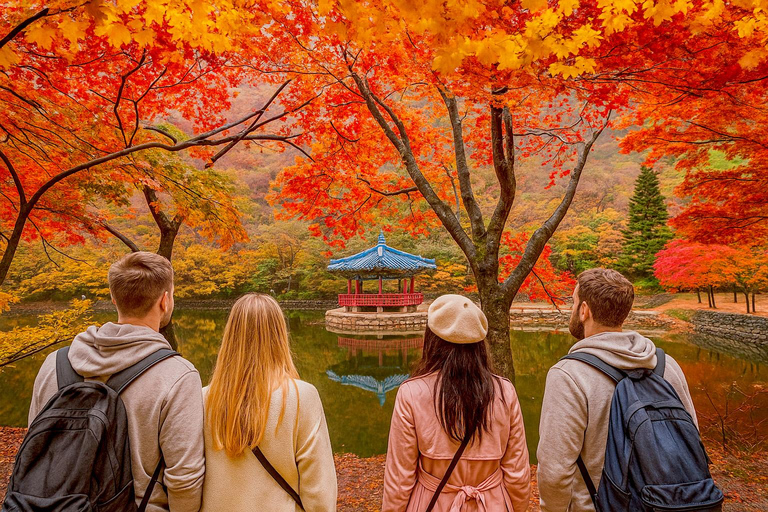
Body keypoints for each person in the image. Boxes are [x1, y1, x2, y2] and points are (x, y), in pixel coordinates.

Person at [28, 251, 205, 511]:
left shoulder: (54, 364)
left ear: (114, 298)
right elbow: (185, 480)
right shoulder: (178, 375)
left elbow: (34, 448)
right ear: (165, 301)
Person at [537, 268, 698, 511]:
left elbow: (555, 471)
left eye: (573, 302)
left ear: (584, 311)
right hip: (666, 503)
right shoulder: (666, 364)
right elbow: (692, 438)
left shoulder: (569, 375)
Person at [382, 294, 530, 512]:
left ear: (432, 340)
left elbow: (399, 477)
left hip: (433, 503)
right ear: (480, 343)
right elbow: (517, 472)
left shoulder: (411, 392)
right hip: (492, 504)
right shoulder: (504, 391)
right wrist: (519, 508)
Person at [201, 294, 337, 511]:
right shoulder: (302, 397)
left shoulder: (203, 399)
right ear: (280, 335)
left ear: (230, 336)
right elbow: (319, 491)